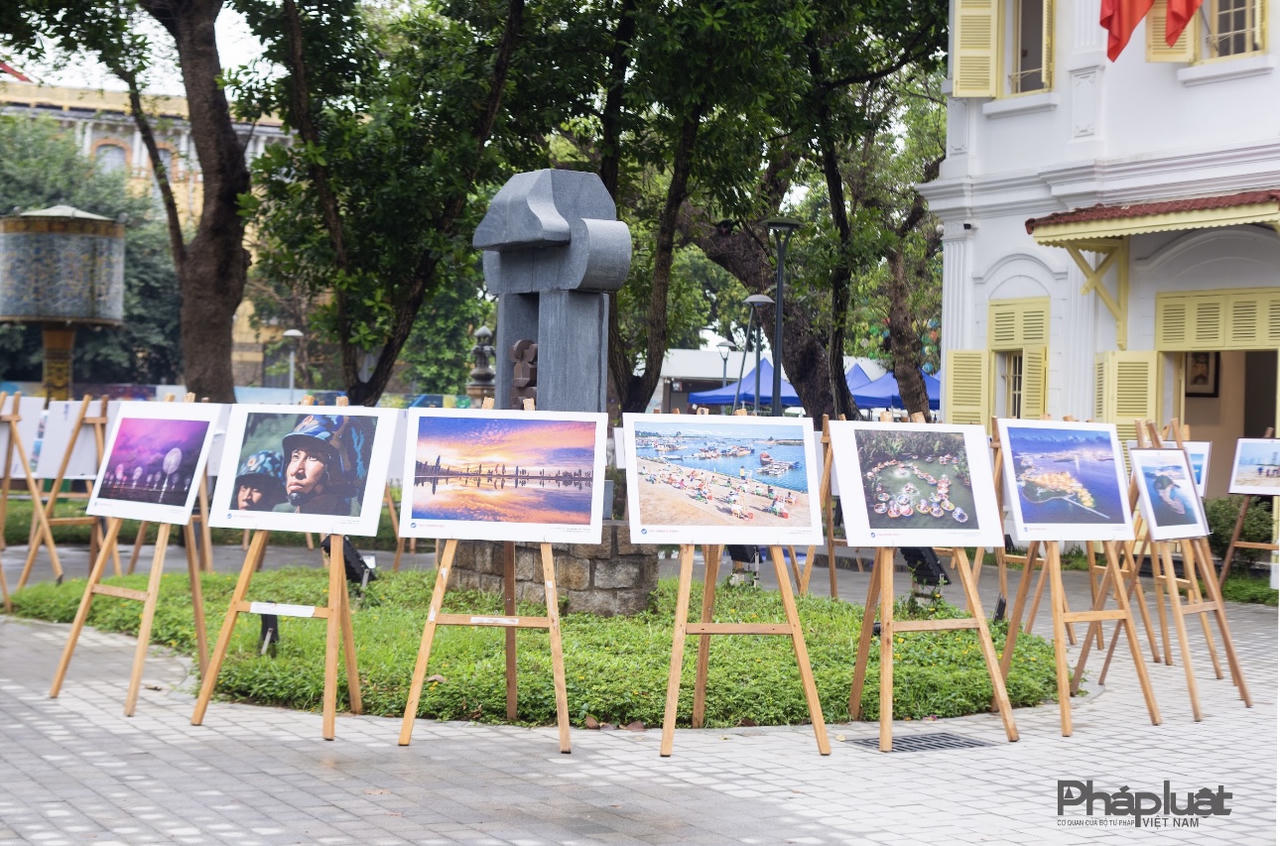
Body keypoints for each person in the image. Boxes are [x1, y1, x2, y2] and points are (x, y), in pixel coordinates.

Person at [274, 415, 359, 516]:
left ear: (338, 469)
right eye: (295, 457)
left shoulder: (358, 518)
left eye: (313, 457)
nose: (296, 471)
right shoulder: (278, 516)